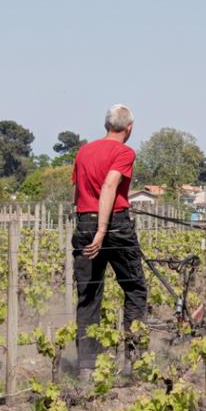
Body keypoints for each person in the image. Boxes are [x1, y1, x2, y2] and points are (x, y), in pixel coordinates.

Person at [71, 103, 148, 384]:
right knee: (135, 288)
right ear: (129, 128)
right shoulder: (124, 152)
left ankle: (86, 369)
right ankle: (134, 362)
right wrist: (102, 229)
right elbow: (109, 186)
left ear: (106, 125)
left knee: (89, 295)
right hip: (114, 224)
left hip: (84, 221)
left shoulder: (83, 152)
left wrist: (87, 224)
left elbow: (77, 192)